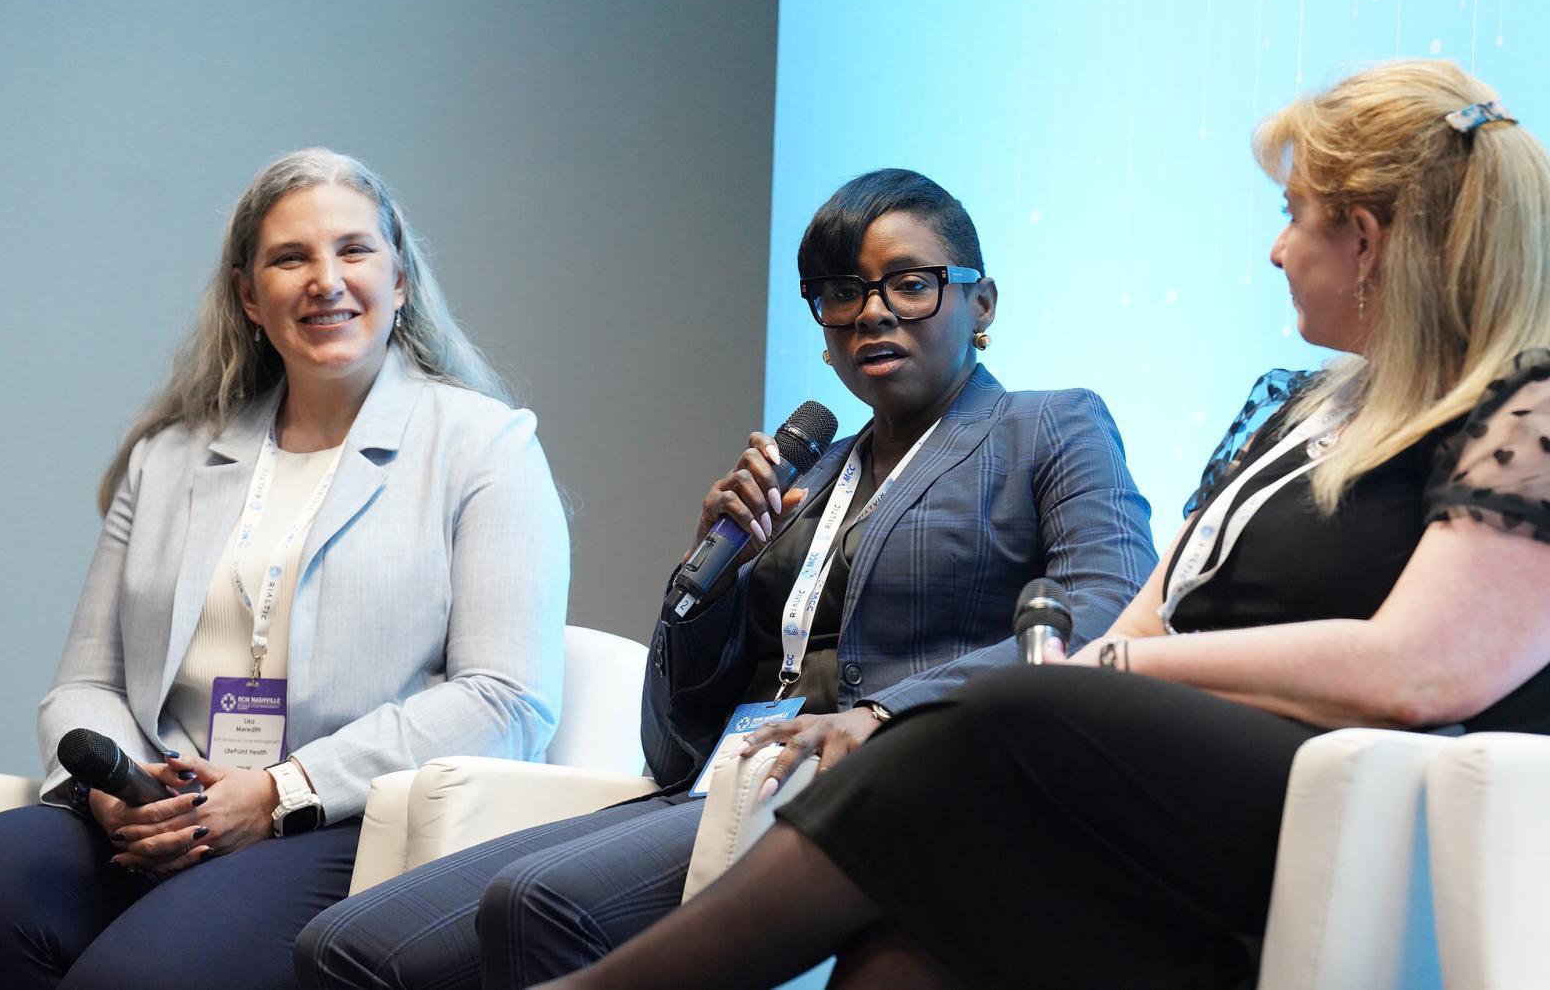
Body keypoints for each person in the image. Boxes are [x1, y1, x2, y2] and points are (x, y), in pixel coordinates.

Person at [536, 60, 1550, 990]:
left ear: (1364, 239)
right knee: (915, 937)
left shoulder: (1526, 406)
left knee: (1001, 715)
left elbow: (1425, 670)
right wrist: (1112, 663)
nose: (1276, 247)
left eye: (1295, 216)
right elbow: (1152, 609)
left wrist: (1111, 671)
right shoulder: (1294, 408)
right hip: (1181, 783)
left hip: (1355, 805)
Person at [295, 168, 1158, 988]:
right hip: (725, 781)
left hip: (885, 789)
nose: (872, 313)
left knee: (537, 906)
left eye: (909, 284)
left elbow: (1107, 612)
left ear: (981, 302)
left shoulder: (1046, 428)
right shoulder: (811, 473)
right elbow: (676, 740)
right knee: (348, 947)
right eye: (842, 293)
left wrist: (889, 714)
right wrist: (710, 573)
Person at [0, 148, 569, 989]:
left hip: (340, 821)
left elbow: (506, 698)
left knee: (142, 976)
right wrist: (117, 789)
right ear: (248, 296)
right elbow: (86, 684)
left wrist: (280, 790)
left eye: (353, 250)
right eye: (290, 258)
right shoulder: (168, 457)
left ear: (399, 280)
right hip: (158, 810)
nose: (326, 280)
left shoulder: (486, 446)